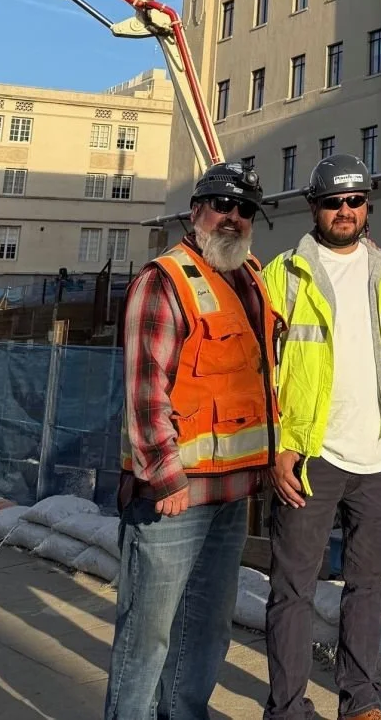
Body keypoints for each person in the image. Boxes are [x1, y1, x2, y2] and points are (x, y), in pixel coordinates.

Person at [262, 152, 381, 720]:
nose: (344, 210)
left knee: (368, 588)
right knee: (294, 589)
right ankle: (285, 709)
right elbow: (263, 371)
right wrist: (279, 445)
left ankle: (360, 701)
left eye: (354, 200)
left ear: (367, 205)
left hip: (379, 454)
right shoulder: (283, 273)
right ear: (315, 207)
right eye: (333, 201)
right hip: (309, 454)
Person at [106, 159, 277, 720]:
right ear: (197, 210)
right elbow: (144, 384)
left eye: (244, 209)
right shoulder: (164, 280)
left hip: (229, 495)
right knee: (148, 635)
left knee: (205, 629)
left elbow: (258, 379)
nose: (232, 218)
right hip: (172, 498)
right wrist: (164, 471)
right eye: (222, 205)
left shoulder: (251, 277)